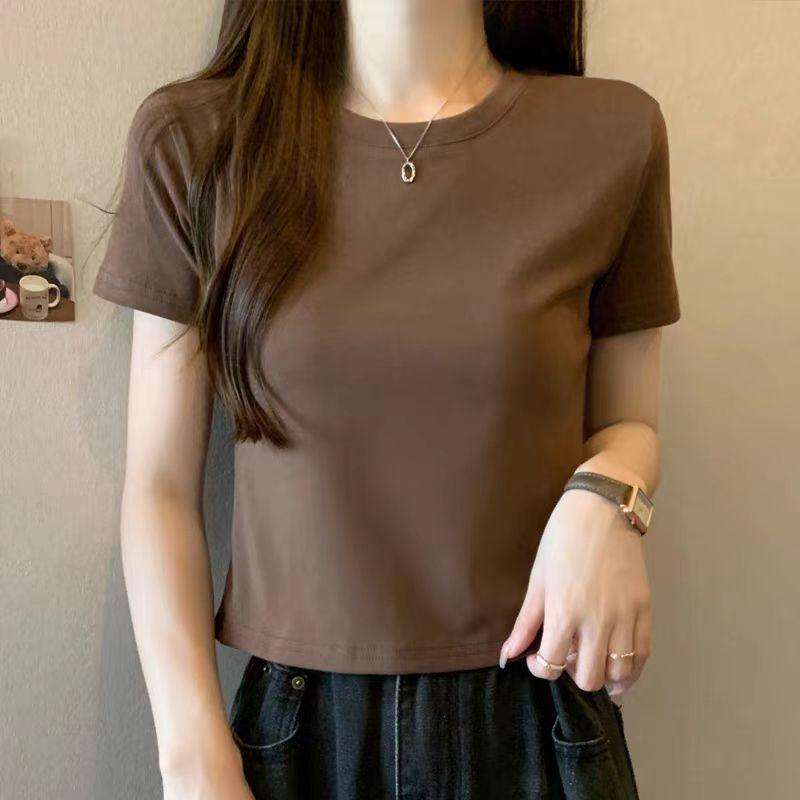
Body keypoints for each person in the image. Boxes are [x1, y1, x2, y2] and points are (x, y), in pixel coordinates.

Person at [92, 1, 681, 798]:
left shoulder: (612, 136)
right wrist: (191, 755)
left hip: (537, 716)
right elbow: (159, 486)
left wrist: (608, 498)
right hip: (300, 736)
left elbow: (628, 424)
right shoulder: (197, 141)